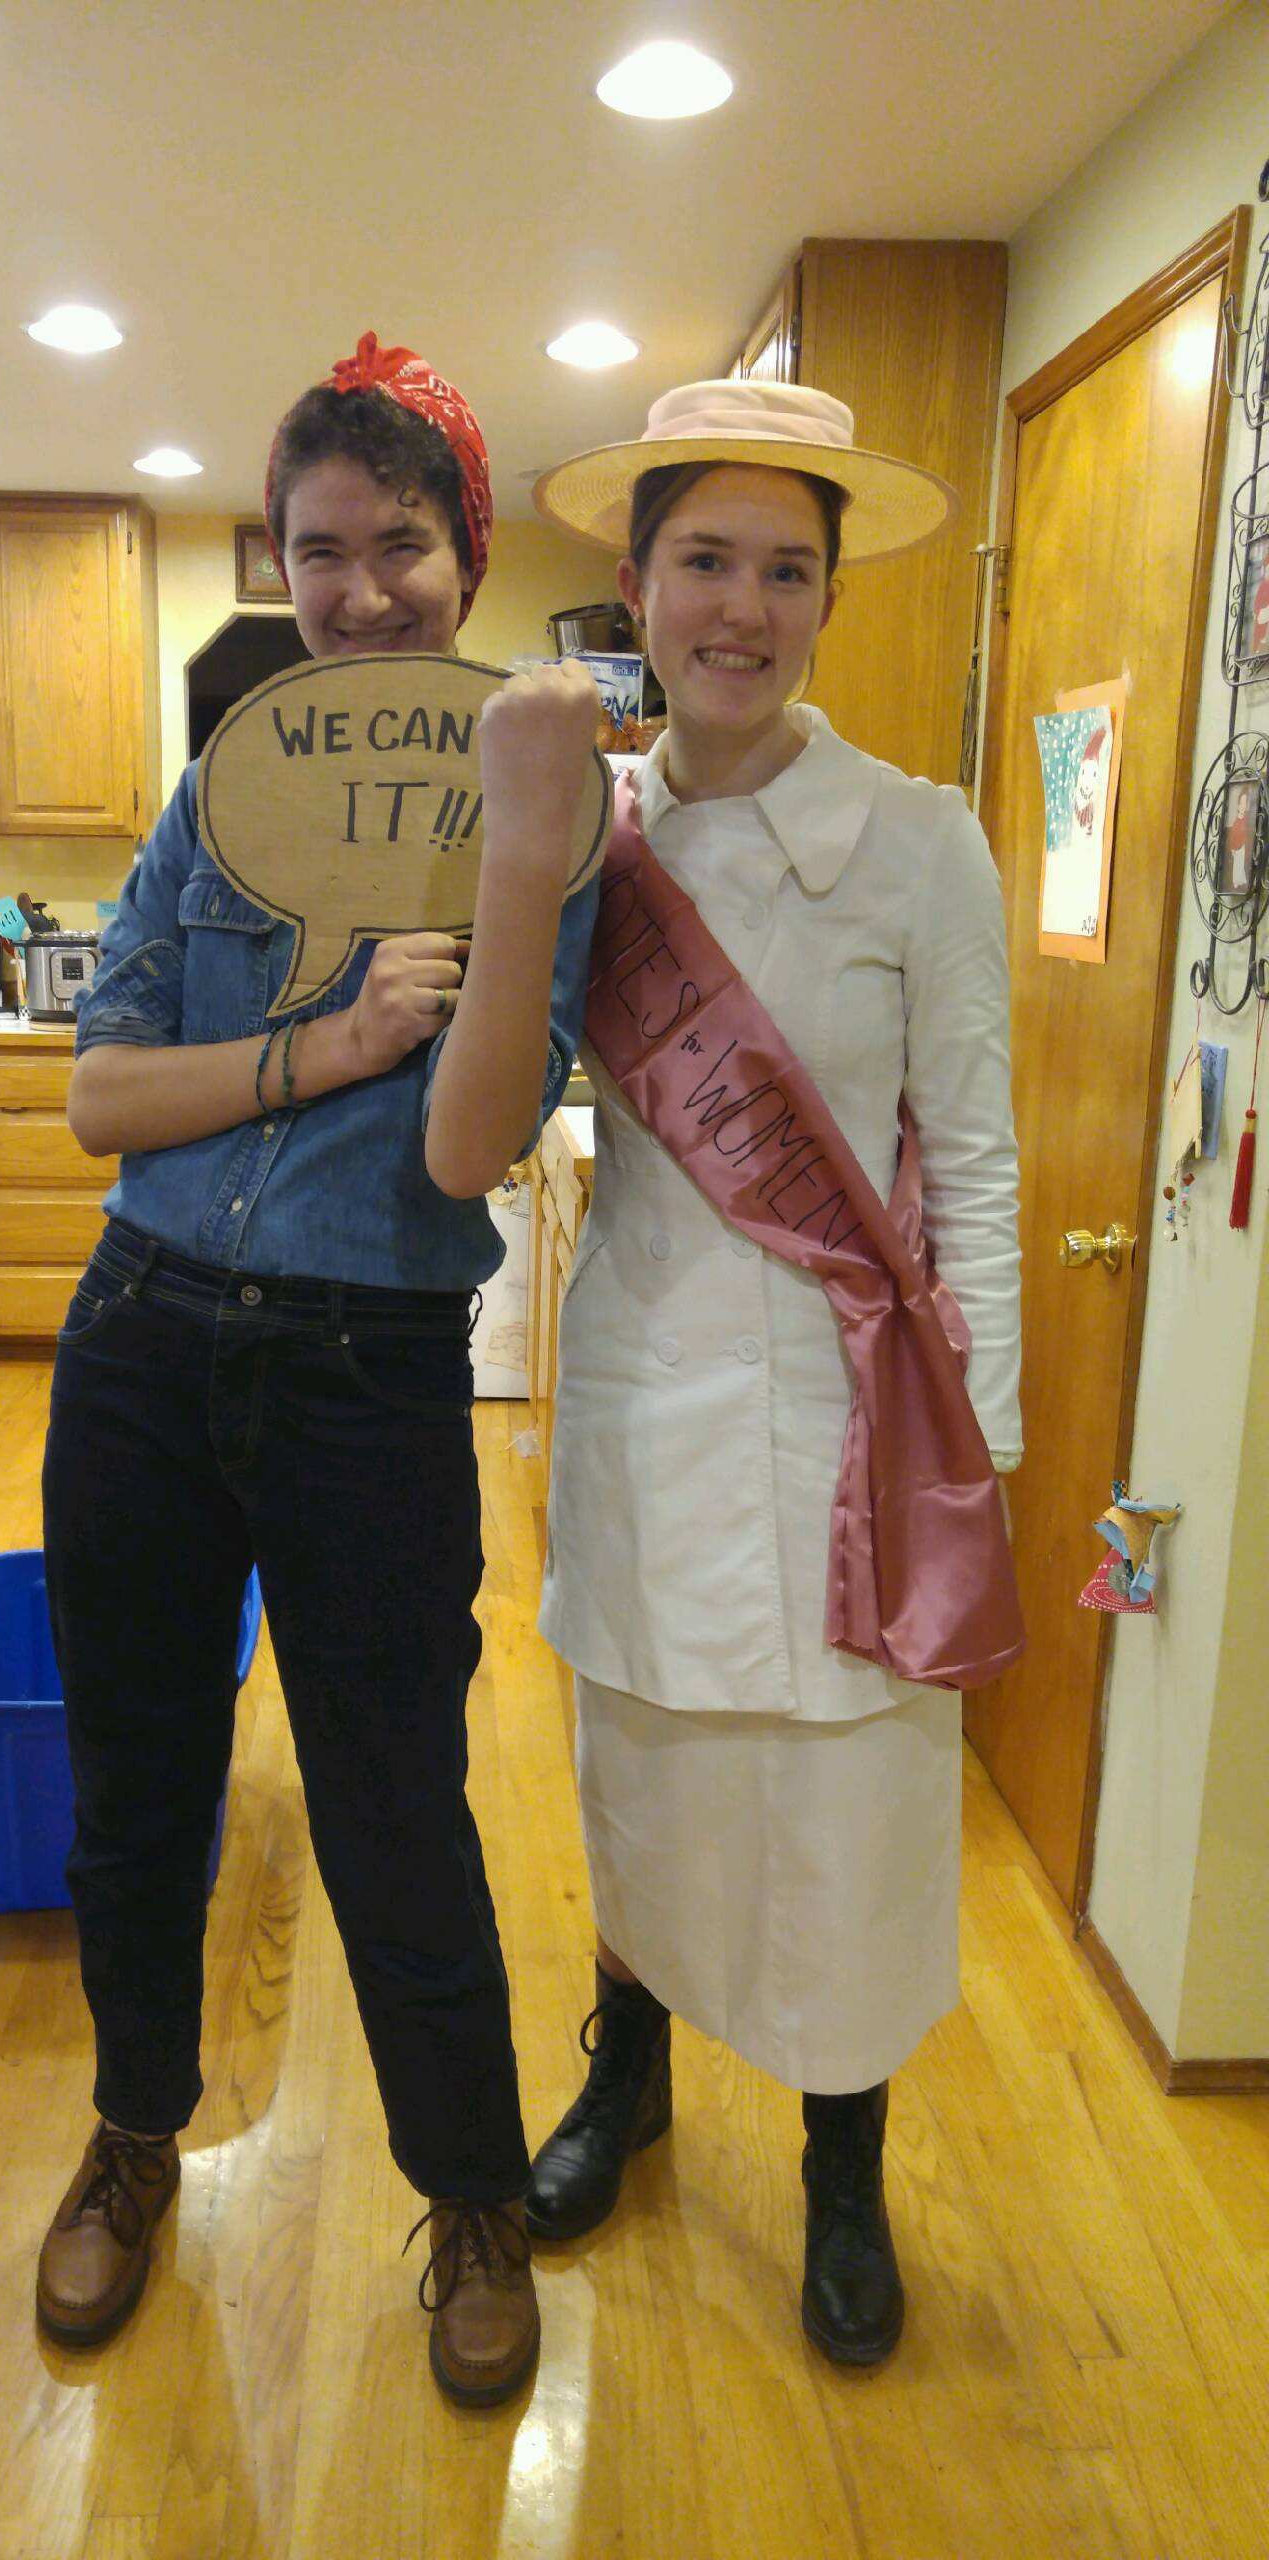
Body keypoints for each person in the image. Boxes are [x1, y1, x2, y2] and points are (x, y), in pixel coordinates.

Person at [36, 332, 602, 2407]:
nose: (359, 590)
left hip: (368, 1371)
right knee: (136, 1791)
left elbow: (470, 1147)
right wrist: (327, 1043)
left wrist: (525, 871)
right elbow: (101, 1095)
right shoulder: (223, 791)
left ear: (467, 551)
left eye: (401, 545)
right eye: (318, 551)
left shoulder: (551, 821)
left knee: (396, 1811)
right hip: (140, 1348)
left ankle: (470, 2193)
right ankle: (129, 2130)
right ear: (282, 563)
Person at [529, 377, 1023, 2367]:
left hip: (852, 1421)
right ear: (635, 584)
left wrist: (976, 1450)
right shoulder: (579, 833)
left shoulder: (919, 839)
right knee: (642, 1766)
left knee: (846, 1820)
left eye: (786, 569)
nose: (742, 604)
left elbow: (974, 1160)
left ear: (830, 595)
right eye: (704, 561)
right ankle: (627, 2076)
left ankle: (841, 2165)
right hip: (646, 1384)